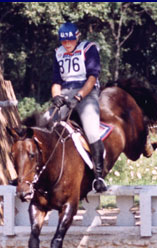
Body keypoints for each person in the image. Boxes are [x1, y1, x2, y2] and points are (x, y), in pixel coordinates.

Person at [50, 22, 107, 192]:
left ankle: (99, 176)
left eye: (70, 41)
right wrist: (56, 97)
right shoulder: (58, 53)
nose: (67, 45)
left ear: (77, 37)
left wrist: (79, 97)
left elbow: (92, 77)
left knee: (91, 130)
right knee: (46, 125)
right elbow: (55, 80)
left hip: (86, 92)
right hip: (65, 92)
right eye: (64, 42)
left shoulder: (88, 48)